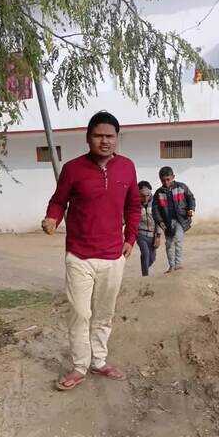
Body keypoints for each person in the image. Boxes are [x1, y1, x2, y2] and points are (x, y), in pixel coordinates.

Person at [42, 110, 141, 391]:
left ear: (117, 138)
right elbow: (58, 201)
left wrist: (130, 238)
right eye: (98, 136)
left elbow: (133, 206)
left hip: (113, 256)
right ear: (88, 138)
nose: (104, 141)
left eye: (110, 136)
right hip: (79, 256)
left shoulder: (127, 167)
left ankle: (99, 361)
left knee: (104, 314)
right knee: (80, 313)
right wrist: (52, 218)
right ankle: (79, 366)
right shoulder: (73, 169)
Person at [152, 166, 195, 273]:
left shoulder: (182, 187)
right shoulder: (158, 193)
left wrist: (191, 209)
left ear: (173, 177)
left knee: (178, 240)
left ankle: (178, 264)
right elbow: (155, 210)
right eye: (163, 180)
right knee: (169, 243)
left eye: (168, 179)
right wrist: (161, 222)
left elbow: (191, 198)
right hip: (167, 222)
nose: (166, 182)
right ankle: (171, 266)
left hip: (181, 219)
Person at [137, 180, 161, 277]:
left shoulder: (156, 203)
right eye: (142, 195)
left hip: (153, 235)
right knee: (145, 253)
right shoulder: (134, 204)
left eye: (147, 195)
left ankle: (145, 268)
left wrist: (158, 236)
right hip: (140, 234)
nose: (145, 198)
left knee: (152, 258)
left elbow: (158, 220)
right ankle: (145, 276)